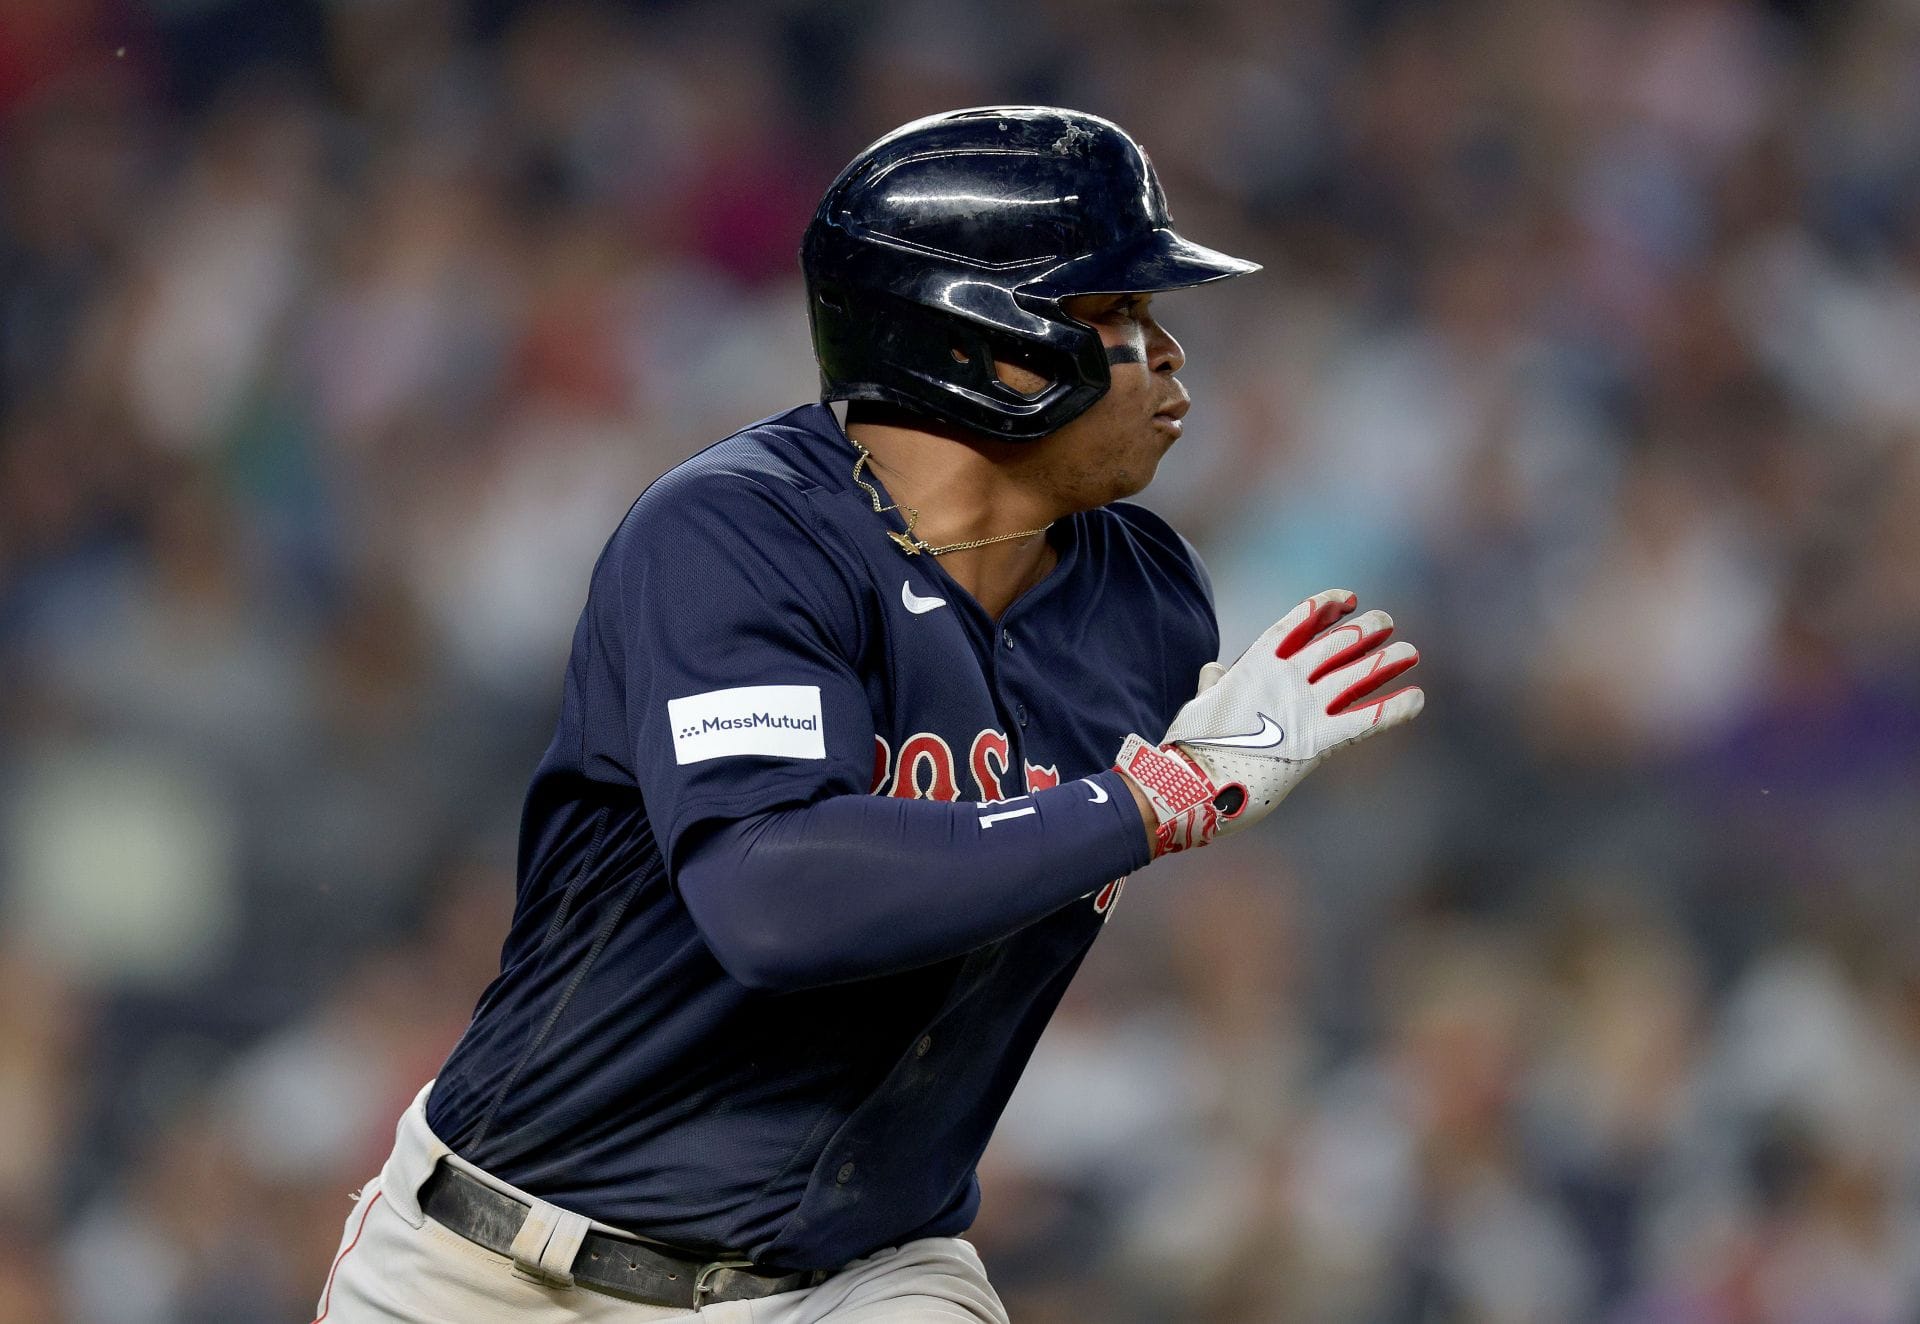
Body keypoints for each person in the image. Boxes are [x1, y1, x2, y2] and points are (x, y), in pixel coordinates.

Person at [312, 105, 1424, 1323]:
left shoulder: (1145, 603)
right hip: (508, 1267)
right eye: (1116, 317)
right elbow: (773, 898)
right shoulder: (736, 537)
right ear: (980, 343)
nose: (1166, 359)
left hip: (857, 1281)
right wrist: (1148, 800)